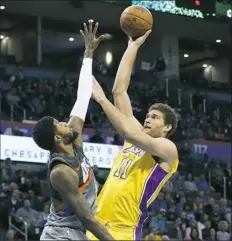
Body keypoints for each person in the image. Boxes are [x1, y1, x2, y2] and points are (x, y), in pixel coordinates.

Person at [87, 31, 179, 240]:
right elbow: (119, 91)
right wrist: (133, 47)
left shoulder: (167, 149)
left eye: (154, 117)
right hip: (97, 224)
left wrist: (101, 100)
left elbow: (126, 130)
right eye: (147, 115)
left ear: (167, 127)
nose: (147, 119)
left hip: (124, 230)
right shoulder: (137, 135)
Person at [32, 20, 114, 240]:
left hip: (74, 234)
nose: (65, 121)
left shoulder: (74, 143)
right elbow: (87, 218)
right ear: (58, 138)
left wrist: (88, 53)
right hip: (60, 236)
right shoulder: (61, 172)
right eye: (59, 123)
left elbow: (82, 96)